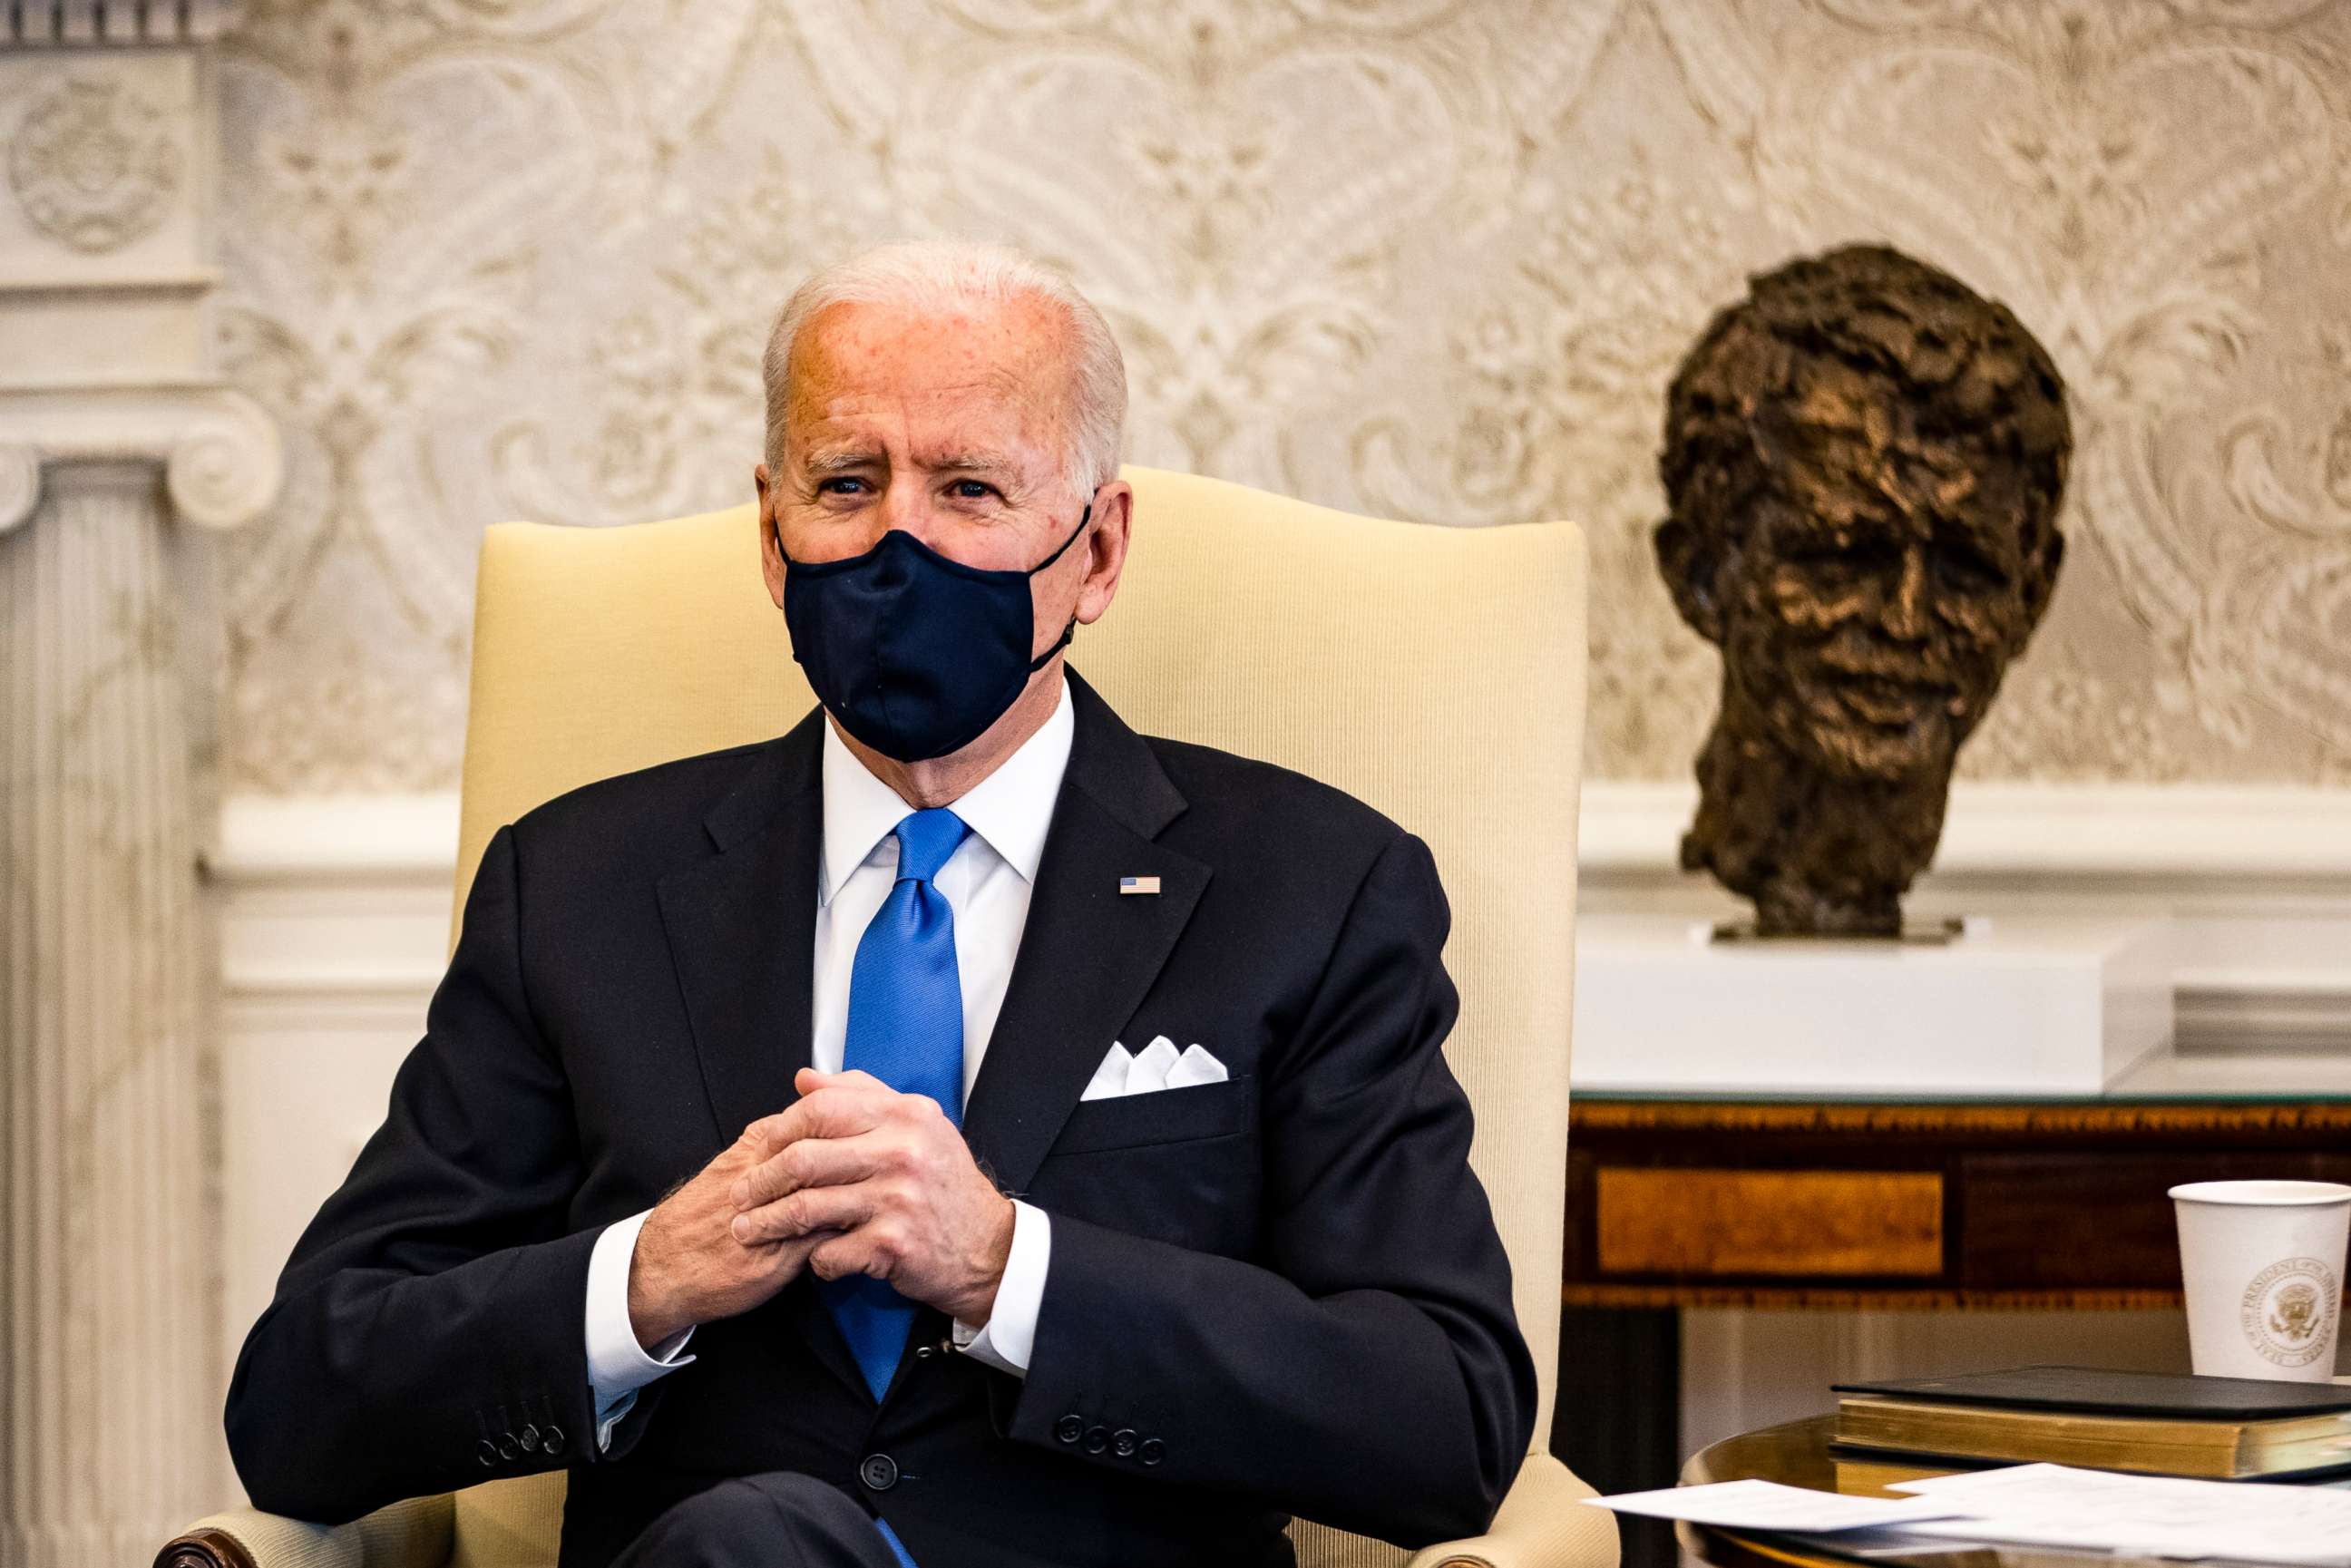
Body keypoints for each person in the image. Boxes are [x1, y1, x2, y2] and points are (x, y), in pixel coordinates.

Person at [225, 240, 1534, 1568]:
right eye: (847, 483)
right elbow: (299, 1403)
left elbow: (1446, 1416)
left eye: (969, 486)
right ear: (773, 537)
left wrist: (1006, 1266)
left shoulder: (1309, 889)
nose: (899, 539)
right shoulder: (574, 890)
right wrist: (641, 1279)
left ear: (1099, 549)